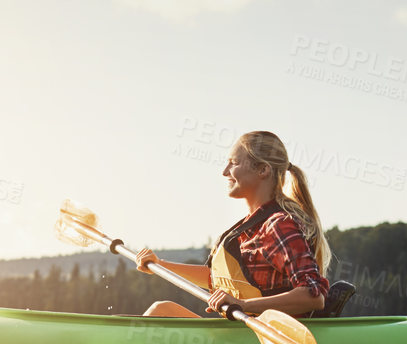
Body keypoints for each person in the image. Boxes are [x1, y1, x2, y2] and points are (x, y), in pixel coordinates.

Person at [136, 131, 334, 319]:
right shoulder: (250, 227)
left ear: (263, 170)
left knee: (157, 311)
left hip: (263, 341)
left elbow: (313, 296)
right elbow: (213, 278)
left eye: (234, 163)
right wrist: (159, 265)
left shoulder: (278, 225)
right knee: (162, 310)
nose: (224, 172)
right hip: (240, 334)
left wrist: (244, 305)